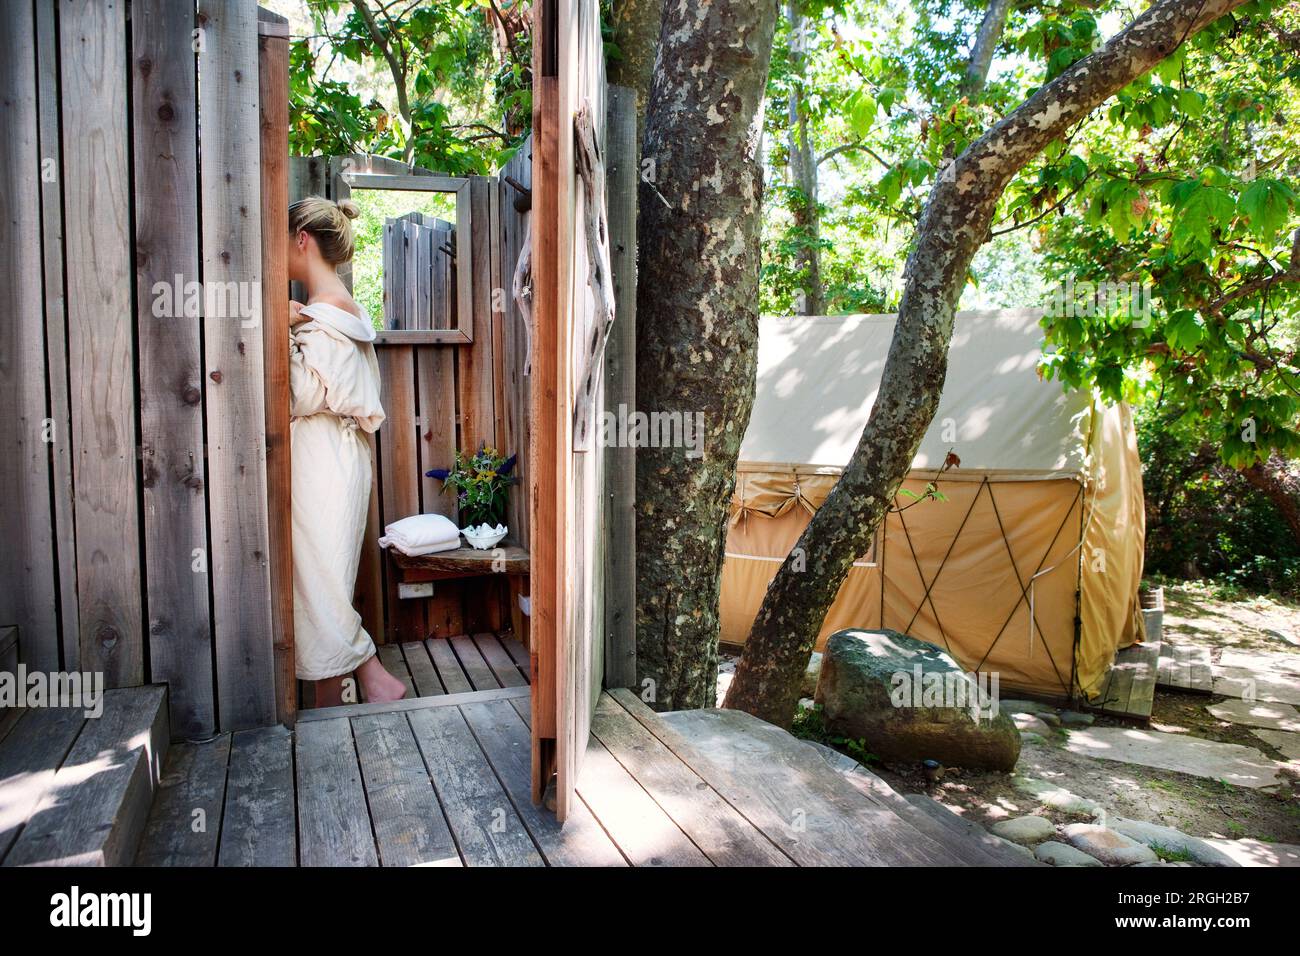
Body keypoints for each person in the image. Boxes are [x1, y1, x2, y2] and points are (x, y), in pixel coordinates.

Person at [286, 196, 406, 705]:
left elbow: (302, 393)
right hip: (339, 457)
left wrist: (281, 329)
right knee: (323, 576)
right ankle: (363, 684)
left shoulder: (323, 317)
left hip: (323, 461)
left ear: (301, 240)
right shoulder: (344, 312)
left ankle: (360, 686)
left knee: (319, 579)